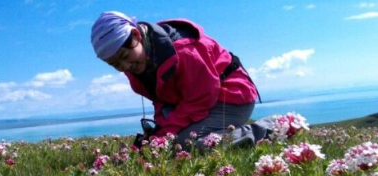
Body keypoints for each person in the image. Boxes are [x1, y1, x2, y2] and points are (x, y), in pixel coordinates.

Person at [91, 11, 270, 148]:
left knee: (185, 144)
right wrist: (157, 133)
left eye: (124, 55)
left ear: (137, 35)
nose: (124, 66)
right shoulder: (139, 62)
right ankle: (222, 129)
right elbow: (161, 101)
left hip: (231, 97)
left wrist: (164, 136)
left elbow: (200, 100)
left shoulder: (186, 50)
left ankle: (269, 129)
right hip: (194, 101)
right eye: (114, 64)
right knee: (167, 141)